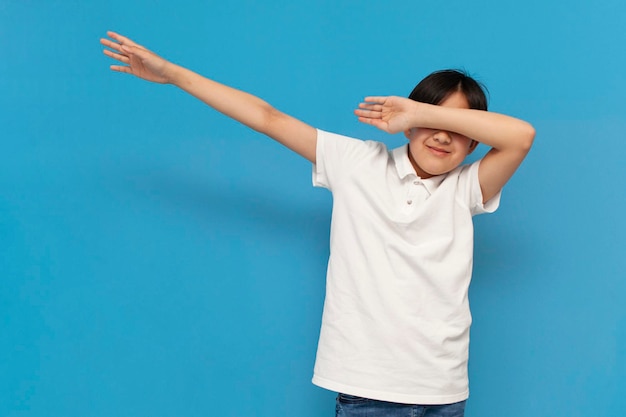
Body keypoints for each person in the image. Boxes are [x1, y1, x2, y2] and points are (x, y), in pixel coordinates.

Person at [101, 31, 535, 417]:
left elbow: (521, 136)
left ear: (474, 141)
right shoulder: (358, 163)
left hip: (444, 389)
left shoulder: (467, 188)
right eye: (430, 120)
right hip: (369, 388)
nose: (441, 136)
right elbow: (268, 117)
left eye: (455, 127)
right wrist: (175, 74)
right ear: (407, 126)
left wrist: (424, 114)